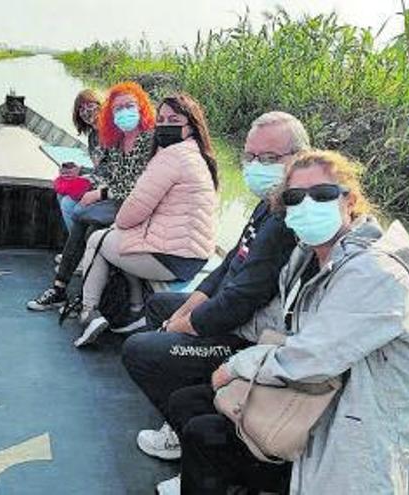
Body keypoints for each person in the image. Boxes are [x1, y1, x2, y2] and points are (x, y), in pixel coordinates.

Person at [160, 150, 409, 494]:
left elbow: (311, 358)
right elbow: (276, 322)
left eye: (322, 194)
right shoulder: (305, 259)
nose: (308, 204)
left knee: (205, 435)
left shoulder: (376, 273)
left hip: (350, 438)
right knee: (188, 402)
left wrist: (234, 366)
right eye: (294, 197)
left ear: (350, 201)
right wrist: (199, 324)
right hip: (309, 403)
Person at [123, 111, 307, 462]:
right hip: (229, 312)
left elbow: (244, 298)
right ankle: (184, 400)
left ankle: (182, 430)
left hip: (247, 337)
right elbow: (228, 264)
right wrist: (188, 307)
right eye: (251, 157)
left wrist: (185, 325)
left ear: (299, 158)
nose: (257, 166)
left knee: (140, 351)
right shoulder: (268, 203)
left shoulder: (289, 221)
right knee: (159, 306)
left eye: (269, 158)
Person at [73, 94, 219, 347]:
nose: (164, 125)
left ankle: (88, 312)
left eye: (174, 120)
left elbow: (132, 211)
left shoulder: (171, 157)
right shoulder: (196, 154)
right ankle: (136, 307)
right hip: (191, 252)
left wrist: (117, 225)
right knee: (121, 240)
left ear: (191, 126)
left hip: (174, 258)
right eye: (161, 119)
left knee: (98, 240)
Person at [27, 81, 157, 311]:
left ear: (141, 107)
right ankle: (62, 285)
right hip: (118, 196)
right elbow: (114, 174)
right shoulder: (116, 138)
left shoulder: (145, 139)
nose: (88, 112)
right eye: (118, 109)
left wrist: (97, 191)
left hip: (136, 203)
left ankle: (67, 289)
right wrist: (85, 176)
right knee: (79, 214)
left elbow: (133, 184)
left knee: (81, 216)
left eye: (129, 107)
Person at [56, 89, 103, 234]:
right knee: (61, 190)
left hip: (110, 189)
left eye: (90, 105)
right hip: (100, 183)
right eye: (81, 109)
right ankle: (75, 245)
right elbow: (101, 168)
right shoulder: (93, 137)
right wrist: (80, 171)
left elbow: (113, 172)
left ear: (100, 105)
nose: (86, 111)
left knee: (68, 203)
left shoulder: (112, 132)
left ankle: (78, 251)